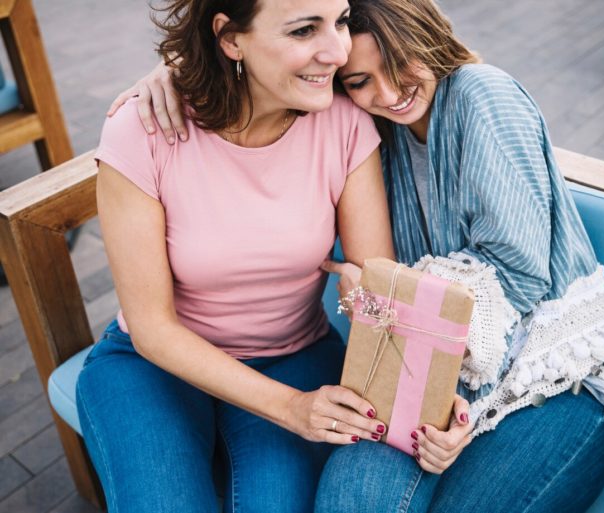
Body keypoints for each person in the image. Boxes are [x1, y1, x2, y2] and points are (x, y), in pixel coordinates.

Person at [114, 0, 604, 511]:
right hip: (434, 365)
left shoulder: (479, 96)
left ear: (425, 32)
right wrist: (180, 66)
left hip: (547, 374)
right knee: (350, 500)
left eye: (396, 61)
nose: (387, 92)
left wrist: (395, 305)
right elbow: (269, 63)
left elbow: (517, 276)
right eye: (359, 80)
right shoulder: (371, 123)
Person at [76, 1, 396, 512]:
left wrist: (373, 308)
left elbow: (384, 290)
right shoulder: (143, 129)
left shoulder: (345, 121)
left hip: (294, 356)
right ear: (229, 38)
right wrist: (291, 409)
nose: (337, 51)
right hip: (153, 365)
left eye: (340, 20)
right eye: (303, 30)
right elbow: (152, 328)